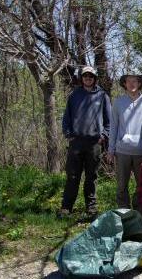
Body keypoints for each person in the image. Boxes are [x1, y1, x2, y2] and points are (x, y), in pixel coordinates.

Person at [59, 66, 111, 220]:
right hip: (76, 142)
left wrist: (103, 136)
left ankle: (91, 208)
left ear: (95, 78)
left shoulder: (102, 96)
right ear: (81, 78)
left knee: (91, 177)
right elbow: (66, 118)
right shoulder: (74, 95)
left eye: (91, 76)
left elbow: (109, 121)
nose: (88, 78)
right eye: (85, 76)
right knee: (73, 176)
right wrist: (68, 134)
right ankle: (66, 207)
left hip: (94, 143)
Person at [107, 74, 142, 209]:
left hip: (141, 152)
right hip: (122, 151)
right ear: (124, 83)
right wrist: (111, 149)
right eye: (129, 81)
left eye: (135, 81)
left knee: (141, 185)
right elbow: (113, 126)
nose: (132, 83)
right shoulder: (118, 102)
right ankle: (123, 212)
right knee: (121, 185)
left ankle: (139, 213)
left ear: (139, 83)